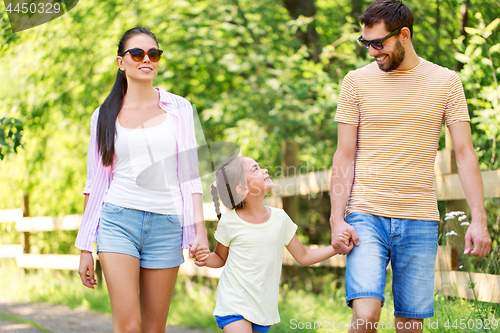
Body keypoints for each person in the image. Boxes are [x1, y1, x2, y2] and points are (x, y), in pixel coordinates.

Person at [329, 1, 492, 332]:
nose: (372, 52)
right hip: (365, 213)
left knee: (410, 326)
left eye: (379, 43)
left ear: (404, 35)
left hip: (419, 218)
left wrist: (480, 219)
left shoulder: (447, 82)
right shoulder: (355, 82)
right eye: (366, 43)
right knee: (365, 316)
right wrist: (335, 218)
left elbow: (464, 152)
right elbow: (343, 155)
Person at [75, 27, 209, 332]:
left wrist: (198, 232)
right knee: (129, 326)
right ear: (121, 62)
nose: (146, 59)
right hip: (118, 222)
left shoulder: (180, 108)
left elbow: (190, 177)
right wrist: (85, 247)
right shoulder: (104, 115)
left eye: (154, 53)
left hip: (167, 226)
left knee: (153, 328)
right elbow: (94, 185)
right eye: (137, 53)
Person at [193, 156, 351, 333]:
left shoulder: (280, 218)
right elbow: (220, 258)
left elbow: (304, 257)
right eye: (255, 169)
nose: (265, 170)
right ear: (243, 189)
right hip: (234, 302)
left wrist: (334, 248)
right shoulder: (229, 221)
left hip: (263, 307)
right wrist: (205, 258)